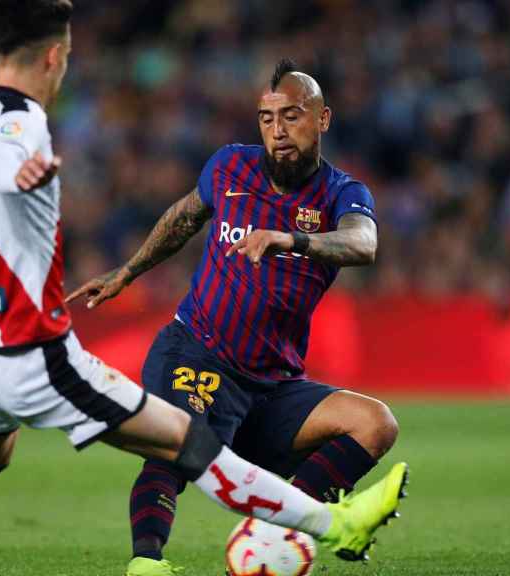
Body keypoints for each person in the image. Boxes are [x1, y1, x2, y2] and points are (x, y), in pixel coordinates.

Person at [0, 3, 407, 575]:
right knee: (184, 443)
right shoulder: (26, 131)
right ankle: (329, 526)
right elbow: (5, 169)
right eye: (65, 56)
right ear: (51, 57)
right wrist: (14, 181)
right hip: (36, 349)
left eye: (290, 116)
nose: (66, 66)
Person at [67, 59, 401, 575]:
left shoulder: (342, 193)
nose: (278, 131)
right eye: (267, 119)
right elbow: (183, 218)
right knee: (173, 444)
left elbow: (363, 242)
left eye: (291, 116)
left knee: (375, 424)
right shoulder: (229, 167)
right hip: (198, 351)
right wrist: (128, 270)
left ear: (323, 119)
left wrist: (293, 240)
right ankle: (145, 563)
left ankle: (277, 534)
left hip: (272, 383)